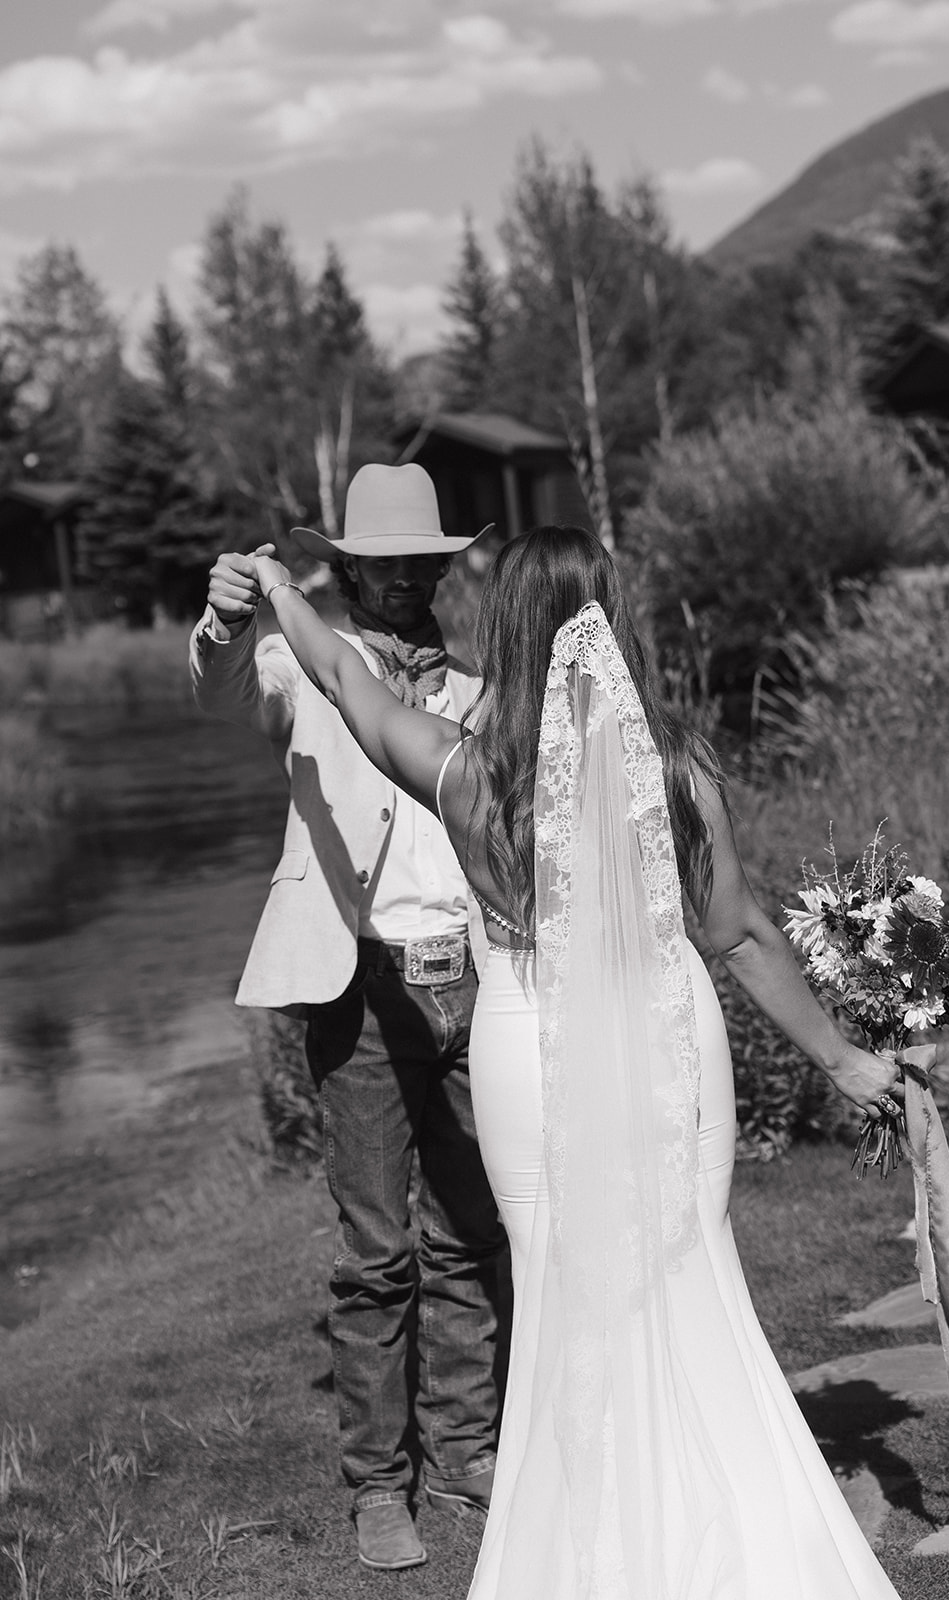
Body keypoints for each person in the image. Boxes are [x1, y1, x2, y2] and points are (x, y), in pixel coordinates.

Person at [247, 523, 905, 1599]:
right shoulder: (676, 769)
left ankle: (590, 1541)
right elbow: (734, 932)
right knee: (689, 1270)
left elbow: (338, 675)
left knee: (556, 1287)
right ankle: (724, 1527)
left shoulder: (459, 767)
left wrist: (278, 582)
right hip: (669, 1040)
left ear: (503, 629)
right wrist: (841, 1061)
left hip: (523, 1045)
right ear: (614, 620)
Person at [188, 464, 506, 1574]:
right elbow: (226, 685)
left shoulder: (477, 683)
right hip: (360, 992)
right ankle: (380, 1485)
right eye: (385, 562)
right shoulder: (299, 656)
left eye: (422, 560)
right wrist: (227, 614)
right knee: (378, 1254)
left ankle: (468, 1453)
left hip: (475, 982)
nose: (406, 577)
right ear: (349, 567)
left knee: (472, 1233)